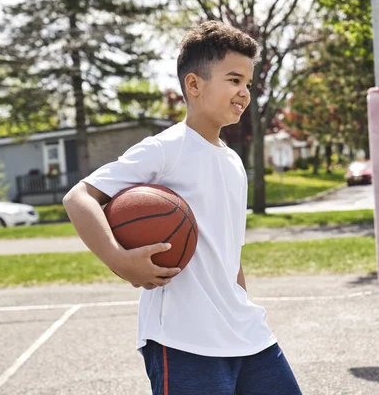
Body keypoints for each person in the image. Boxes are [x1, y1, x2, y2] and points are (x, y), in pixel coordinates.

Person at [63, 20, 302, 395]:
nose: (244, 92)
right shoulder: (165, 148)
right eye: (234, 79)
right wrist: (118, 259)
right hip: (183, 337)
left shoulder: (233, 161)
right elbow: (78, 198)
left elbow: (229, 254)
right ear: (194, 84)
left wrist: (239, 297)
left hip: (245, 331)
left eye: (248, 84)